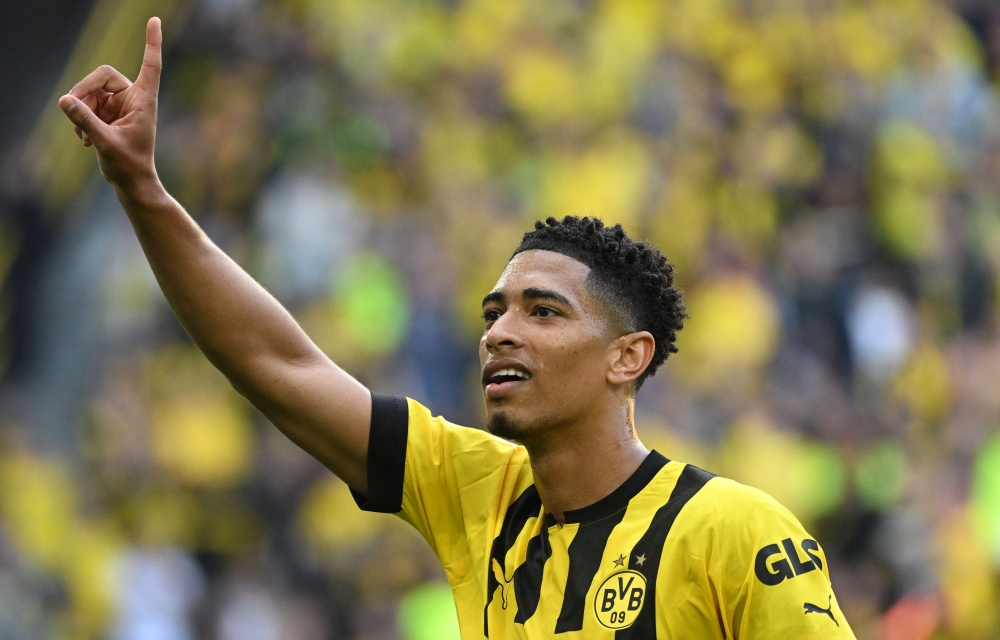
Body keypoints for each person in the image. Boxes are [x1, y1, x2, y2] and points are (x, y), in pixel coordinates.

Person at [59, 17, 856, 639]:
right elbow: (277, 363)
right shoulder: (478, 490)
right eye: (494, 311)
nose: (501, 332)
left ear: (627, 357)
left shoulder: (732, 529)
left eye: (543, 311)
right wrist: (143, 190)